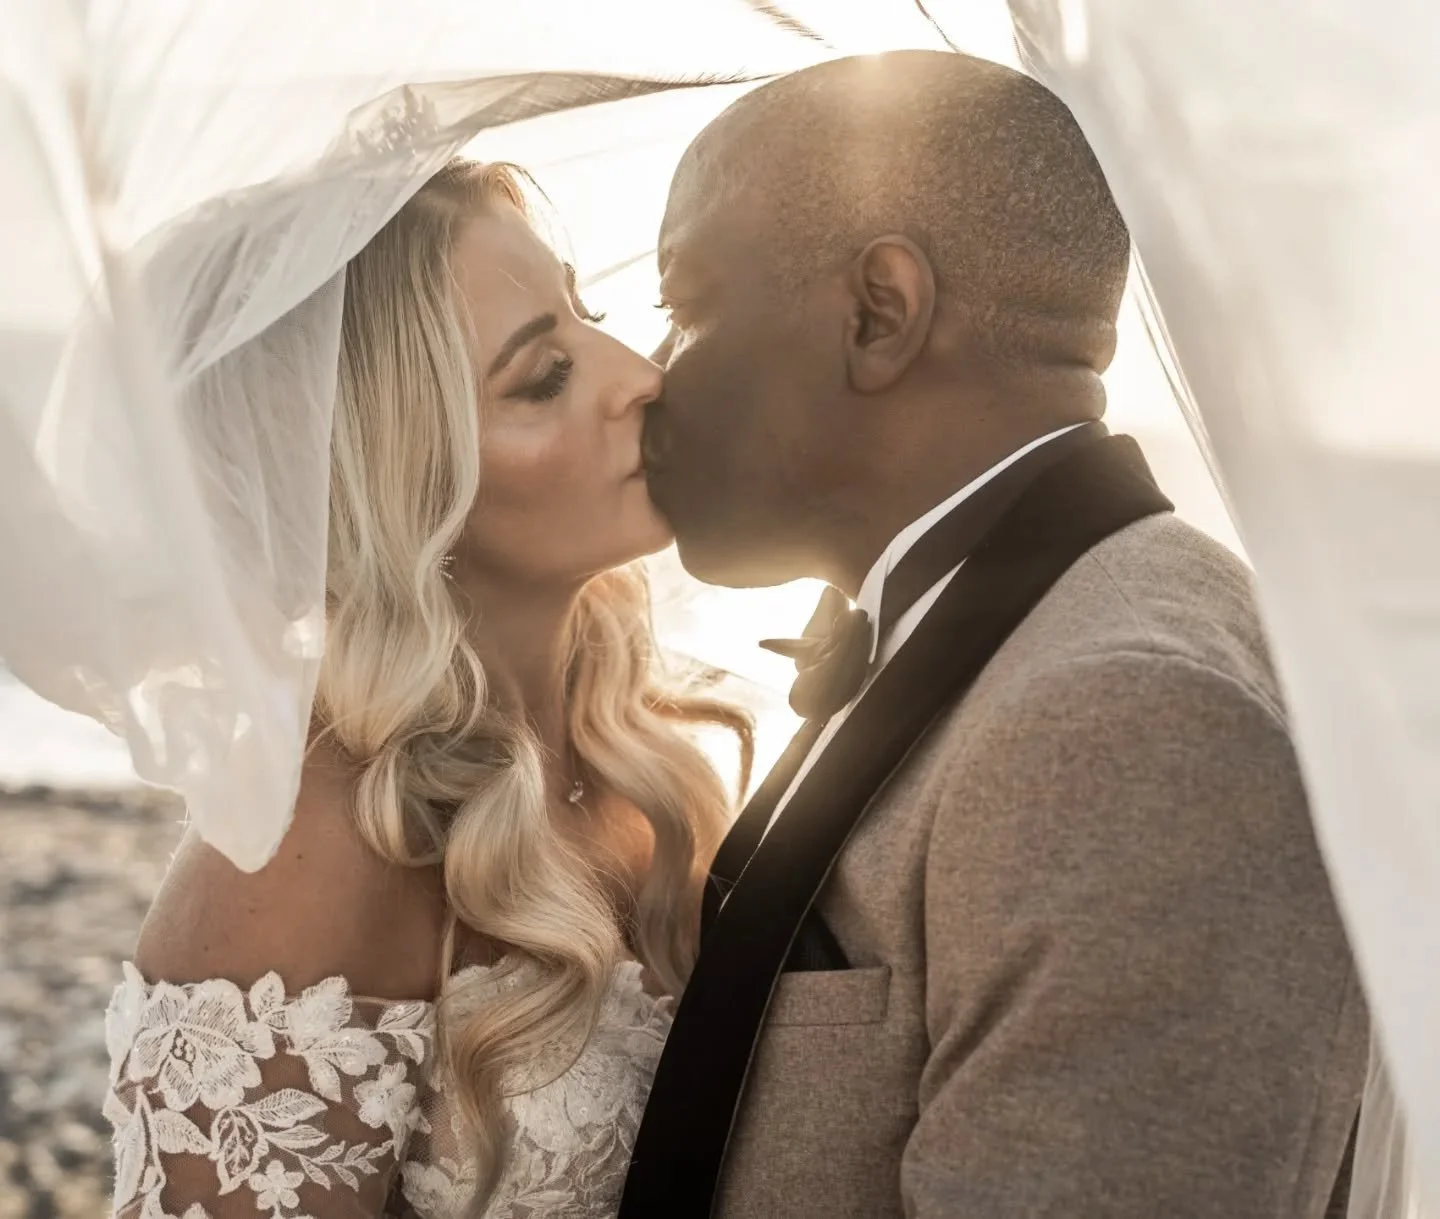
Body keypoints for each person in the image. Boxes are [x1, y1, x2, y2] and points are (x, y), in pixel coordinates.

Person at [622, 50, 1367, 1218]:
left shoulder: (1131, 721)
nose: (651, 379)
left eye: (685, 308)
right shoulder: (993, 627)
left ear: (881, 313)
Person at [102, 160, 751, 1219]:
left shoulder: (634, 761)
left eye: (589, 318)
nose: (635, 374)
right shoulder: (300, 858)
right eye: (543, 376)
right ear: (400, 477)